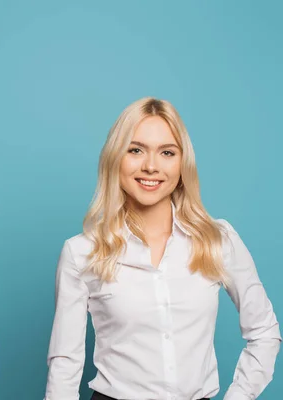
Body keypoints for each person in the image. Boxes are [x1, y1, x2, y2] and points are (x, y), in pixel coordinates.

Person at [44, 97, 280, 400]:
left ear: (183, 163)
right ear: (116, 157)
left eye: (167, 152)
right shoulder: (82, 252)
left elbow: (264, 332)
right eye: (136, 150)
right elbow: (65, 363)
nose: (151, 166)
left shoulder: (218, 239)